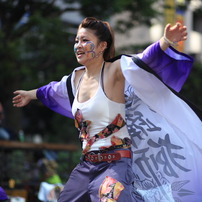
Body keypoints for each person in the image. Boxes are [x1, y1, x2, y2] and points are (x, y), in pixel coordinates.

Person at [12, 17, 202, 202]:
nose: (78, 45)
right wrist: (29, 94)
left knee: (110, 199)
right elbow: (51, 90)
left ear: (102, 45)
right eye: (77, 40)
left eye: (85, 40)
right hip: (86, 165)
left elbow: (144, 59)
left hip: (115, 164)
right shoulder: (73, 80)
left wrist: (166, 41)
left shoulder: (115, 71)